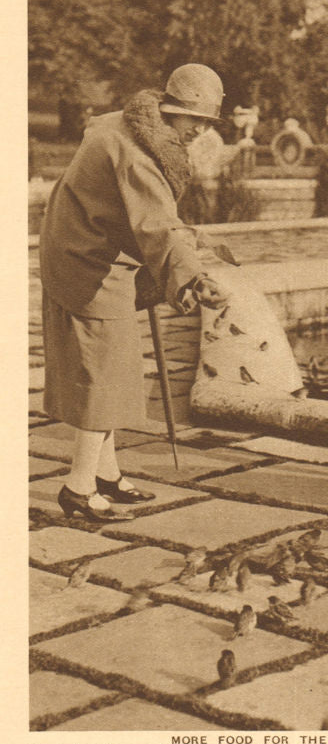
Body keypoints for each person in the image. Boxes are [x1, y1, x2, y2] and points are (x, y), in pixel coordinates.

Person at [40, 64, 232, 522]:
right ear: (169, 109)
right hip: (87, 263)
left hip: (82, 248)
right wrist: (194, 277)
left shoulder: (120, 124)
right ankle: (78, 488)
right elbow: (157, 226)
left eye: (207, 122)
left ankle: (107, 474)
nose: (199, 130)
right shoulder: (138, 155)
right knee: (102, 376)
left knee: (116, 368)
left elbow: (139, 216)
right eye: (193, 119)